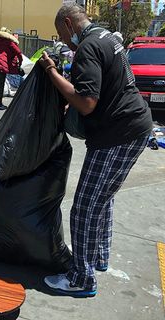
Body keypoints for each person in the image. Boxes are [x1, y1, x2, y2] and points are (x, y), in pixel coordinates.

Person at [39, 4, 152, 298]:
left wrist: (52, 71)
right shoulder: (108, 37)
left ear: (68, 23)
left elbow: (87, 102)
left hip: (118, 134)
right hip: (135, 126)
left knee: (84, 208)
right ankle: (98, 258)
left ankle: (81, 278)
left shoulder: (88, 46)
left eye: (62, 33)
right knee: (102, 200)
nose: (63, 40)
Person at [0, 27, 23, 110]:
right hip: (2, 65)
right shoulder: (9, 42)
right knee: (1, 84)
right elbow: (18, 53)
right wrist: (20, 62)